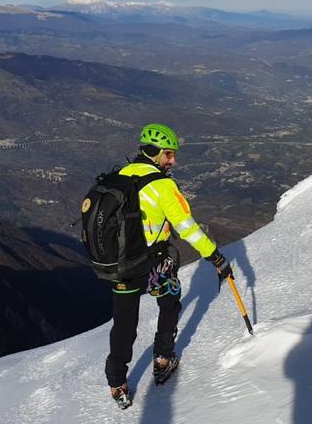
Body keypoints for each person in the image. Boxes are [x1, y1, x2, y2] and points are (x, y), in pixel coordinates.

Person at [106, 123, 233, 409]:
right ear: (155, 153)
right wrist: (215, 257)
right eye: (168, 154)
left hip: (119, 265)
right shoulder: (163, 185)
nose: (172, 161)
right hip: (152, 262)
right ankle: (163, 359)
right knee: (170, 302)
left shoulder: (119, 176)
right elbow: (187, 228)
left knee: (123, 324)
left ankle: (117, 383)